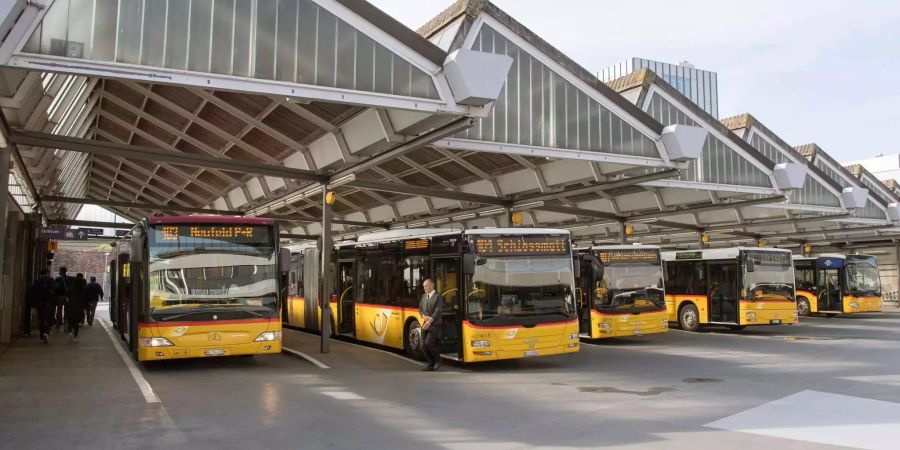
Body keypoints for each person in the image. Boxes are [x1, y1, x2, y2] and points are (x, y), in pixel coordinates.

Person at [418, 279, 443, 372]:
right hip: (426, 323)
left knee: (429, 343)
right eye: (424, 286)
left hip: (435, 324)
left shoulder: (438, 296)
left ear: (432, 286)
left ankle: (439, 360)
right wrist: (423, 317)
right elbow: (420, 309)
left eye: (426, 286)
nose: (424, 288)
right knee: (423, 346)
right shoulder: (424, 296)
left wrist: (429, 322)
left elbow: (438, 310)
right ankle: (431, 364)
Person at [32, 269, 58, 344]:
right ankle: (46, 333)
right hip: (49, 303)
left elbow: (34, 294)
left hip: (40, 304)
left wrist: (34, 305)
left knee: (41, 320)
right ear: (47, 273)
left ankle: (41, 336)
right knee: (49, 319)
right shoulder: (51, 280)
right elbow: (56, 288)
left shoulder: (37, 282)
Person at [65, 274, 87, 342]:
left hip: (71, 306)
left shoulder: (70, 288)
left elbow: (67, 296)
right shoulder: (83, 289)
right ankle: (75, 337)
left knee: (70, 320)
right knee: (76, 323)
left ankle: (70, 332)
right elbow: (85, 299)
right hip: (79, 307)